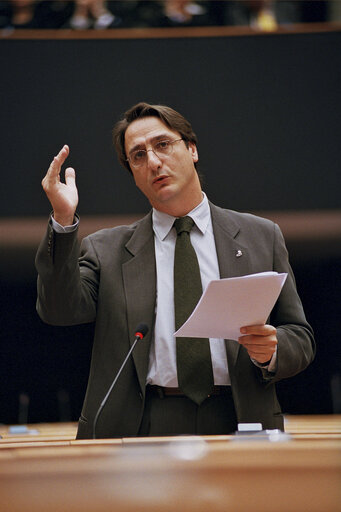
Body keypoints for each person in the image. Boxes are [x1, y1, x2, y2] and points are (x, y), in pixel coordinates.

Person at [36, 102, 315, 439]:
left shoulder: (260, 237)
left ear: (192, 149)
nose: (153, 161)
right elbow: (58, 310)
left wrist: (272, 350)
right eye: (138, 156)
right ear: (134, 175)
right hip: (144, 424)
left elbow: (300, 336)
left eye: (163, 145)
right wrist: (63, 222)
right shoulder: (106, 250)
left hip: (239, 418)